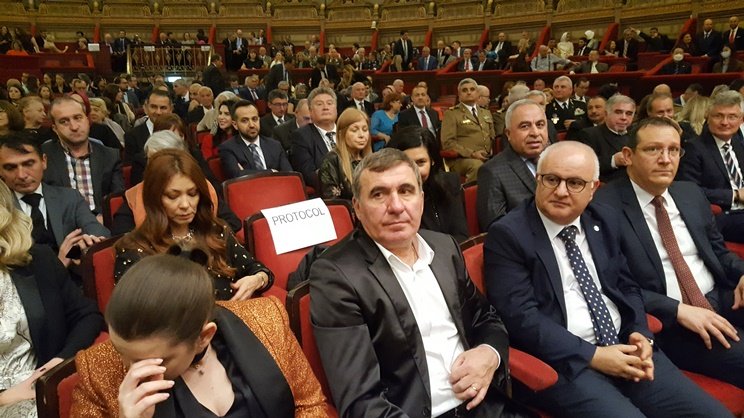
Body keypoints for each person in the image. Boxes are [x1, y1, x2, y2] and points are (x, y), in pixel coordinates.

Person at [484, 140, 732, 418]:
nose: (561, 191)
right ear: (537, 180)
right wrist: (595, 356)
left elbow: (626, 285)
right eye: (551, 179)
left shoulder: (603, 219)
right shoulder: (509, 234)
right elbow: (521, 319)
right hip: (567, 363)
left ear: (593, 189)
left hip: (625, 346)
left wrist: (640, 333)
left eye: (575, 183)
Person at [310, 148, 526, 418]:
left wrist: (489, 352)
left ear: (421, 200)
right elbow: (361, 401)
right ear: (357, 207)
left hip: (484, 403)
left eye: (406, 191)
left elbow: (485, 317)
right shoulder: (336, 275)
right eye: (378, 194)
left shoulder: (444, 247)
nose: (396, 206)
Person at [71, 250, 331, 417]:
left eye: (155, 360)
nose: (130, 369)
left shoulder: (265, 319)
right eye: (121, 351)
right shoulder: (99, 369)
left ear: (203, 337)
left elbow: (309, 404)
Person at [595, 116, 744, 389]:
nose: (665, 159)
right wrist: (676, 309)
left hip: (722, 297)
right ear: (628, 155)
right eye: (653, 149)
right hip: (671, 321)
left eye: (673, 150)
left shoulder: (690, 193)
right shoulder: (603, 207)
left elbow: (719, 252)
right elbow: (612, 284)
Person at [0, 179, 103, 417]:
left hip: (44, 389)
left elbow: (87, 315)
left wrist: (59, 363)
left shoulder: (36, 260)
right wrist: (4, 397)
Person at [114, 149, 273, 300]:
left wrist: (258, 279)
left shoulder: (216, 231)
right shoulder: (135, 248)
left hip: (231, 317)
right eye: (173, 196)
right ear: (154, 199)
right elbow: (132, 311)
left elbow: (257, 269)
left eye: (192, 194)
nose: (185, 204)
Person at [41, 97, 124, 219]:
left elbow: (117, 199)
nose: (74, 127)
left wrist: (103, 218)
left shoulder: (110, 156)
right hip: (61, 224)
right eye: (64, 121)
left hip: (100, 222)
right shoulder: (43, 156)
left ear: (87, 120)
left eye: (78, 118)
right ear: (55, 128)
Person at [678, 91, 744, 244]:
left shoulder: (738, 144)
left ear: (741, 120)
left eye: (732, 117)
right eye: (718, 116)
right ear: (708, 117)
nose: (725, 122)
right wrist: (735, 195)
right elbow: (690, 192)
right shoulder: (693, 148)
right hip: (722, 216)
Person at [387, 126, 469, 242]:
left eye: (421, 162)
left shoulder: (449, 183)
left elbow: (461, 236)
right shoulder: (391, 199)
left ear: (432, 160)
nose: (414, 171)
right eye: (407, 163)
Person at [477, 99, 547, 232]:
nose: (535, 133)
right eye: (525, 126)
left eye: (540, 125)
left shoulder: (558, 161)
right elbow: (496, 228)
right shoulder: (492, 172)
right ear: (508, 134)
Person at [218, 100, 292, 179]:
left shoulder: (275, 145)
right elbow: (236, 175)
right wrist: (271, 172)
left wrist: (246, 173)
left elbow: (289, 175)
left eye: (254, 119)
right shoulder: (228, 148)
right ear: (235, 124)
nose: (252, 125)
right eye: (245, 121)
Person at [441, 78, 495, 182]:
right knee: (477, 166)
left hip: (486, 157)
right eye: (464, 90)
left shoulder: (486, 113)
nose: (469, 92)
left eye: (472, 89)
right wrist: (472, 153)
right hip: (461, 159)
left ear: (478, 93)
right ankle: (471, 192)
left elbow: (492, 136)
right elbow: (448, 143)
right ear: (459, 95)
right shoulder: (451, 114)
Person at [577, 94, 636, 183]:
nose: (624, 118)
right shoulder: (589, 134)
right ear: (606, 114)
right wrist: (613, 161)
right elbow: (584, 166)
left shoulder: (637, 134)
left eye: (629, 114)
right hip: (608, 184)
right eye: (618, 112)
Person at [290, 87, 338, 190]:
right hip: (326, 192)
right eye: (319, 104)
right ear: (310, 111)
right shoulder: (301, 136)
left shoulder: (347, 131)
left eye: (330, 103)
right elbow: (308, 175)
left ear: (336, 109)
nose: (325, 107)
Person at [318, 108, 371, 200]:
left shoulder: (372, 160)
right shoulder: (332, 160)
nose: (361, 135)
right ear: (341, 133)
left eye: (365, 130)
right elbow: (332, 200)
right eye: (354, 130)